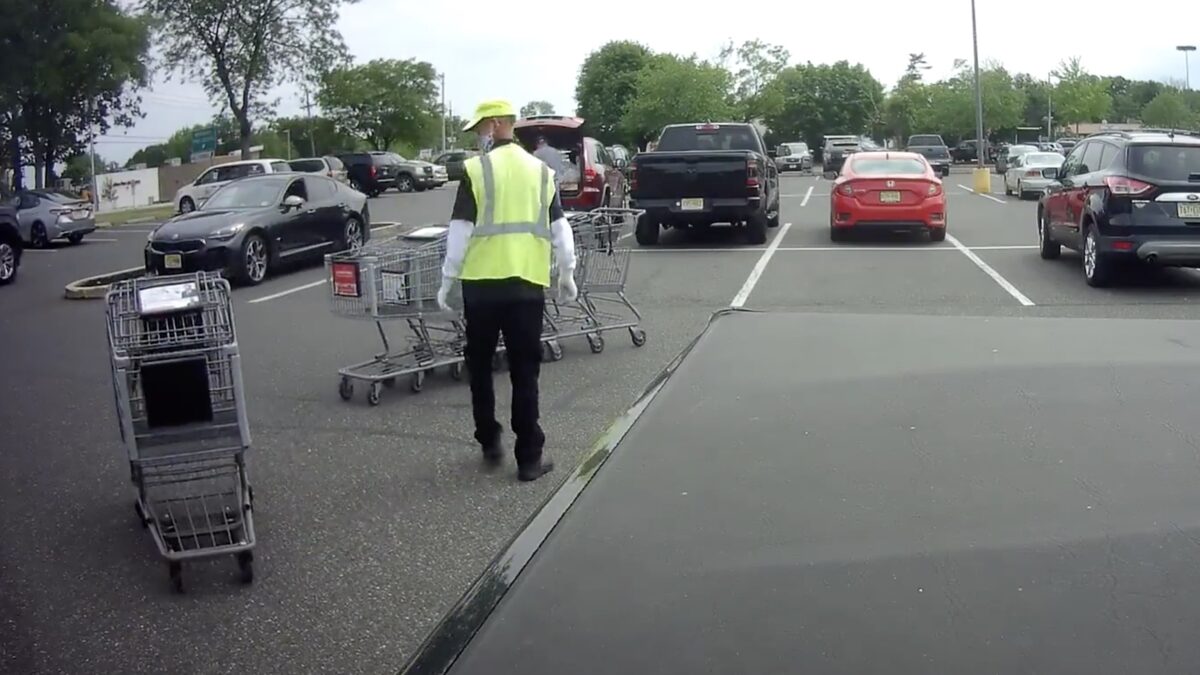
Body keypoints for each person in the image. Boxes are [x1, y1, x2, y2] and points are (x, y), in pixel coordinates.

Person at [436, 99, 578, 482]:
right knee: (524, 371)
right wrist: (566, 272)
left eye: (480, 128)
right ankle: (529, 458)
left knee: (480, 365)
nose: (477, 136)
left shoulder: (475, 170)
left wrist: (448, 280)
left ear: (497, 124)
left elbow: (460, 232)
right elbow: (560, 227)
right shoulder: (540, 171)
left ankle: (489, 438)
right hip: (526, 286)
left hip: (481, 287)